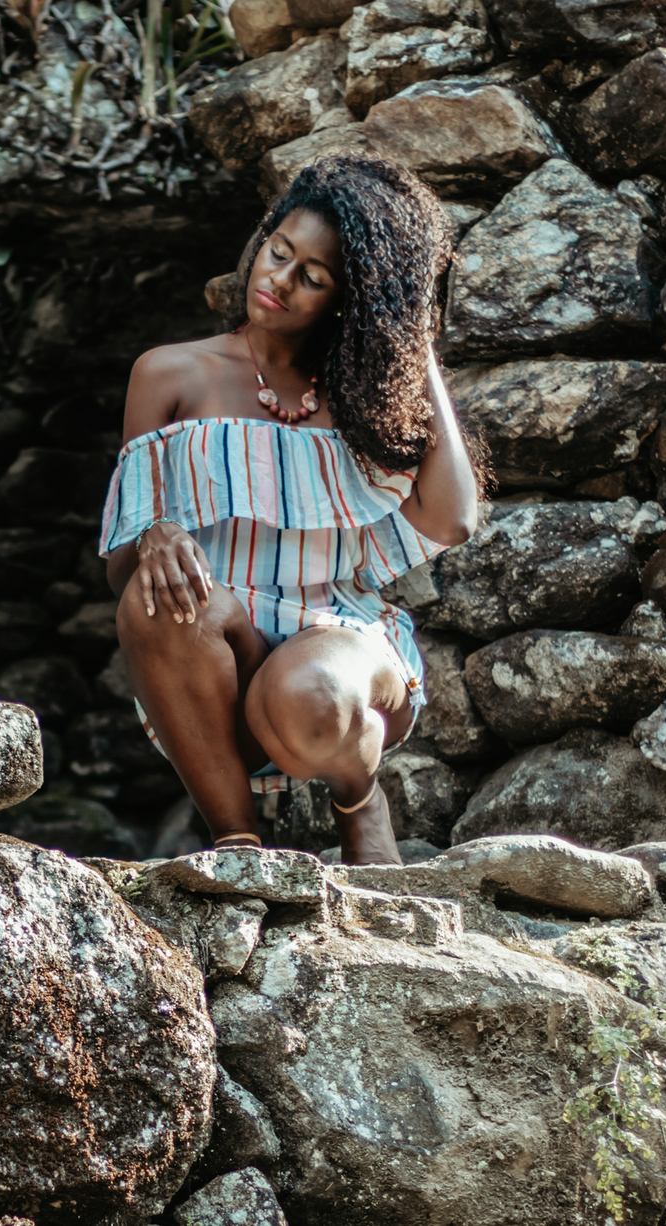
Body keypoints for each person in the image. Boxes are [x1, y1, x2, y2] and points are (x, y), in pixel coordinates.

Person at [99, 155, 480, 865]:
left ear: (348, 299)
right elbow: (123, 574)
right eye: (279, 253)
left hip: (337, 645)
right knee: (158, 603)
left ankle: (360, 802)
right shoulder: (170, 374)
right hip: (214, 668)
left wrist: (414, 337)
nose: (278, 280)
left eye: (312, 276)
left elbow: (453, 516)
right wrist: (154, 532)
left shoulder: (367, 403)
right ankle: (239, 847)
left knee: (307, 693)